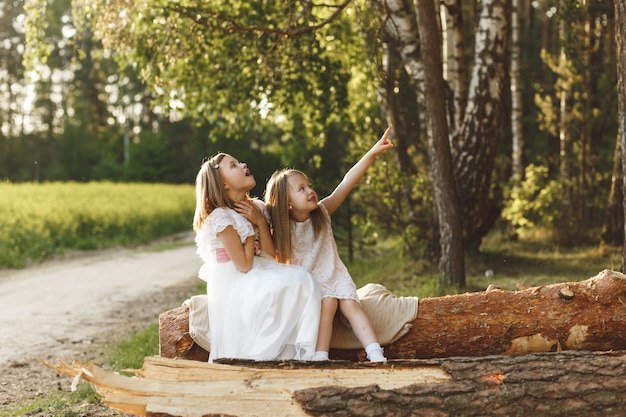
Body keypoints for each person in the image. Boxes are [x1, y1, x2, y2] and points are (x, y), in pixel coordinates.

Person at [264, 127, 393, 362]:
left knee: (351, 306)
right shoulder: (282, 230)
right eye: (301, 189)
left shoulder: (322, 212)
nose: (310, 191)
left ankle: (376, 354)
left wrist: (372, 153)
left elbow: (346, 183)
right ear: (287, 204)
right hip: (308, 284)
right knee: (328, 303)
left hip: (334, 275)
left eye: (309, 185)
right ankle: (320, 357)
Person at [193, 153, 321, 362]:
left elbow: (271, 257)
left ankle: (289, 353)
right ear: (223, 184)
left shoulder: (258, 208)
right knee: (286, 286)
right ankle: (260, 355)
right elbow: (243, 265)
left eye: (239, 161)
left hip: (258, 270)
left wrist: (260, 222)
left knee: (301, 280)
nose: (243, 164)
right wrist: (250, 234)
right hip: (235, 281)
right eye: (234, 165)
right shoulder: (220, 216)